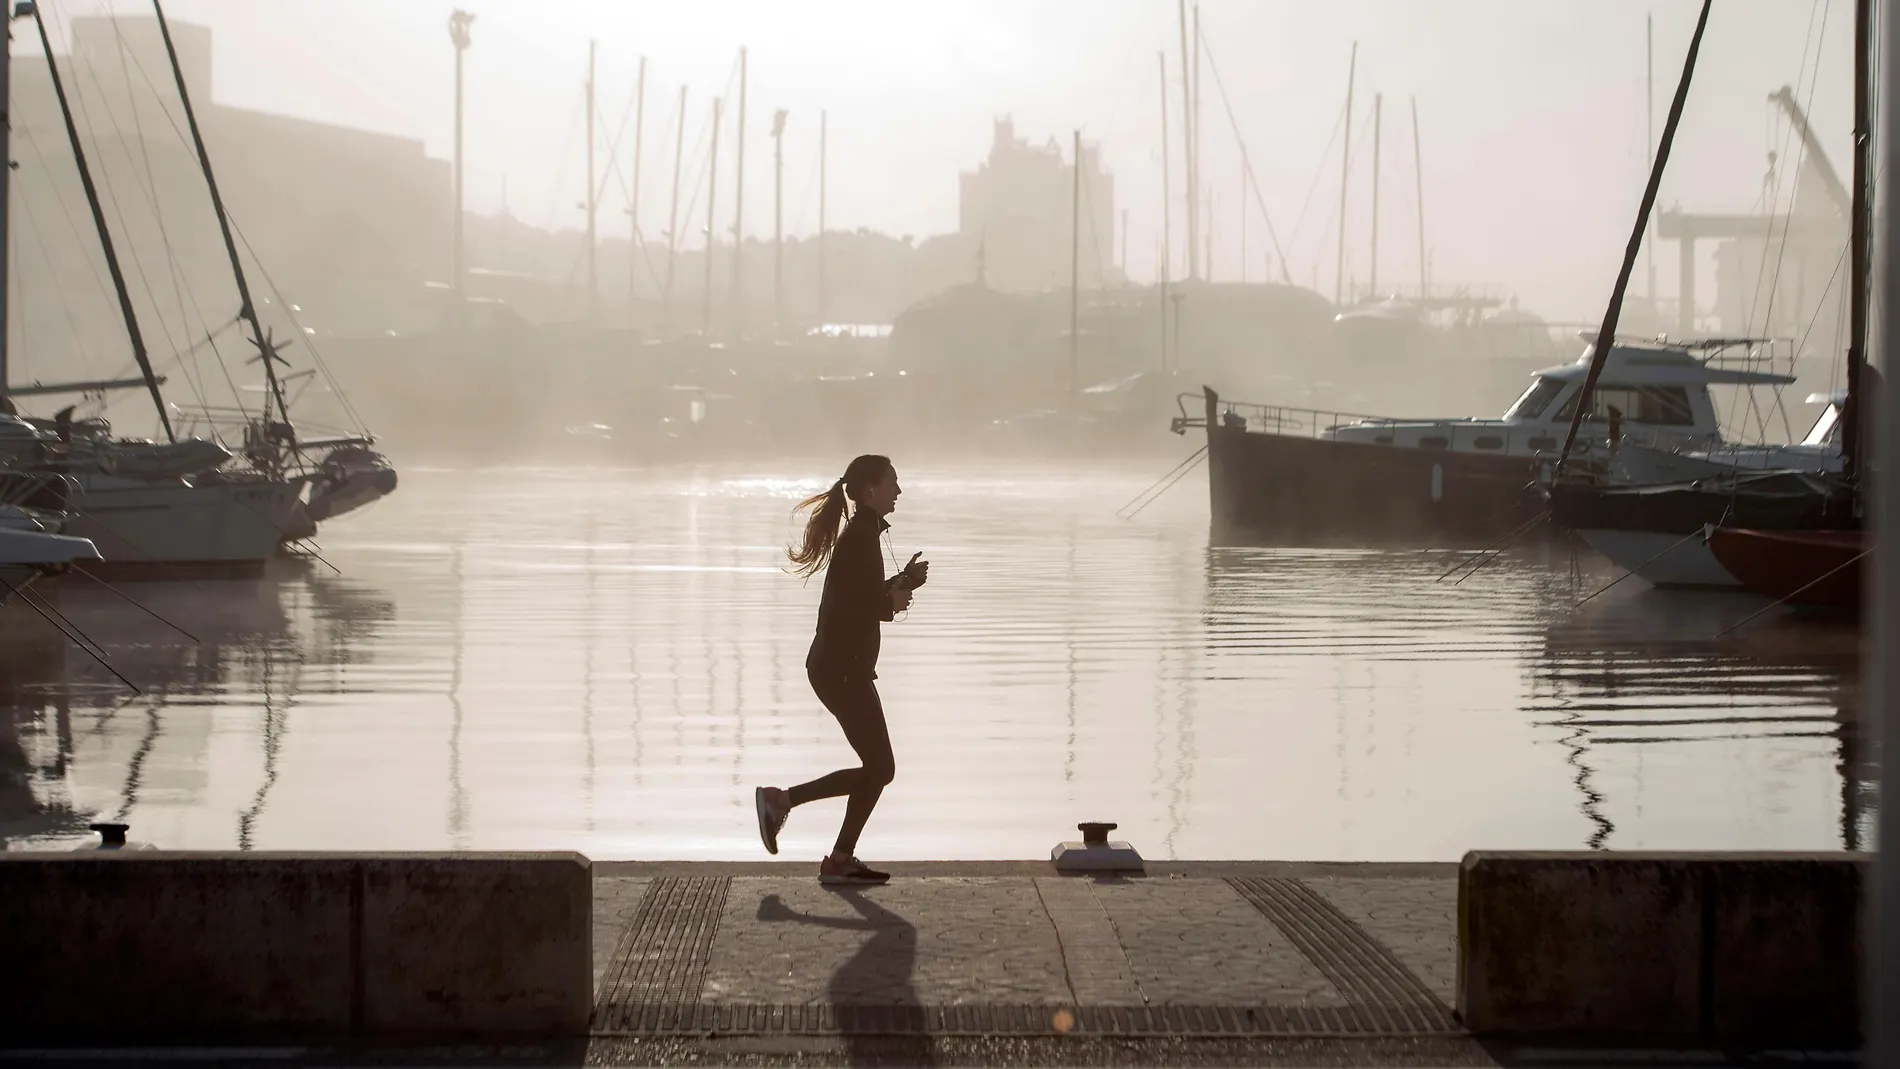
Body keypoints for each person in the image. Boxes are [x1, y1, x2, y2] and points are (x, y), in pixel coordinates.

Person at [754, 454, 927, 885]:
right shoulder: (860, 538)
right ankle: (784, 803)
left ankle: (837, 856)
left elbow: (858, 599)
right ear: (870, 490)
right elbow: (857, 608)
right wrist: (892, 601)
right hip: (840, 669)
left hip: (840, 667)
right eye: (893, 483)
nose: (899, 492)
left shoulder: (864, 534)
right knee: (880, 768)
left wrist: (899, 584)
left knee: (878, 768)